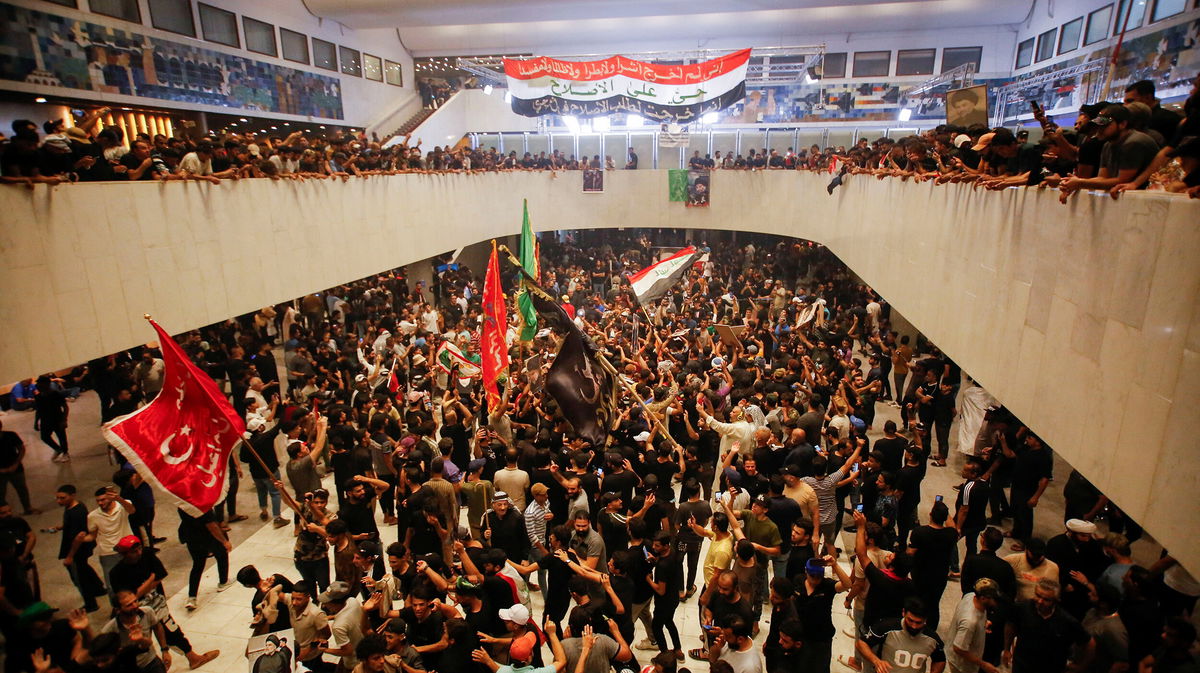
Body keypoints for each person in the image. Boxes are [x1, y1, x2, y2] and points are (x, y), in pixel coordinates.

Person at [107, 534, 221, 668]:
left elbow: (160, 575)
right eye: (133, 552)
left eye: (139, 549)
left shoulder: (147, 555)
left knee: (171, 629)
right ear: (124, 554)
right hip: (137, 611)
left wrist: (147, 585)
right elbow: (130, 597)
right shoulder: (116, 573)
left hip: (158, 604)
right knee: (139, 639)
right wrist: (149, 581)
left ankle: (191, 656)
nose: (138, 553)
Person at [1004, 579, 1092, 673]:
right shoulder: (1022, 608)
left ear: (1056, 600)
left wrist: (1081, 667)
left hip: (1051, 668)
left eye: (1046, 599)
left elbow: (1090, 643)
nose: (1040, 601)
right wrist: (1006, 649)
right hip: (1022, 666)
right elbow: (1011, 625)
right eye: (1038, 595)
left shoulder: (1066, 620)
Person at [856, 597, 947, 673]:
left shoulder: (933, 639)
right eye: (910, 620)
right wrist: (876, 661)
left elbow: (939, 660)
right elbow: (862, 643)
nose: (914, 626)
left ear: (925, 619)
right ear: (903, 612)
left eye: (919, 623)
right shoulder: (887, 628)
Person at [176, 506, 234, 610]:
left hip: (191, 536)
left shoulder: (182, 504)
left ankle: (192, 597)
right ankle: (223, 581)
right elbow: (212, 526)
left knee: (198, 565)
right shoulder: (202, 505)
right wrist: (224, 541)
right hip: (207, 536)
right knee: (222, 554)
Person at [947, 579, 1001, 673]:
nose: (995, 602)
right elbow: (958, 648)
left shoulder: (970, 596)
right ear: (983, 598)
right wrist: (984, 665)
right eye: (993, 598)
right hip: (962, 666)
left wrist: (983, 623)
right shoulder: (970, 622)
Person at [0, 418, 37, 514]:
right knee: (1, 493)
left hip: (15, 468)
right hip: (1, 471)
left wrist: (16, 464)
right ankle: (4, 513)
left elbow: (21, 449)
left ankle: (28, 508)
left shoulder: (11, 435)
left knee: (22, 489)